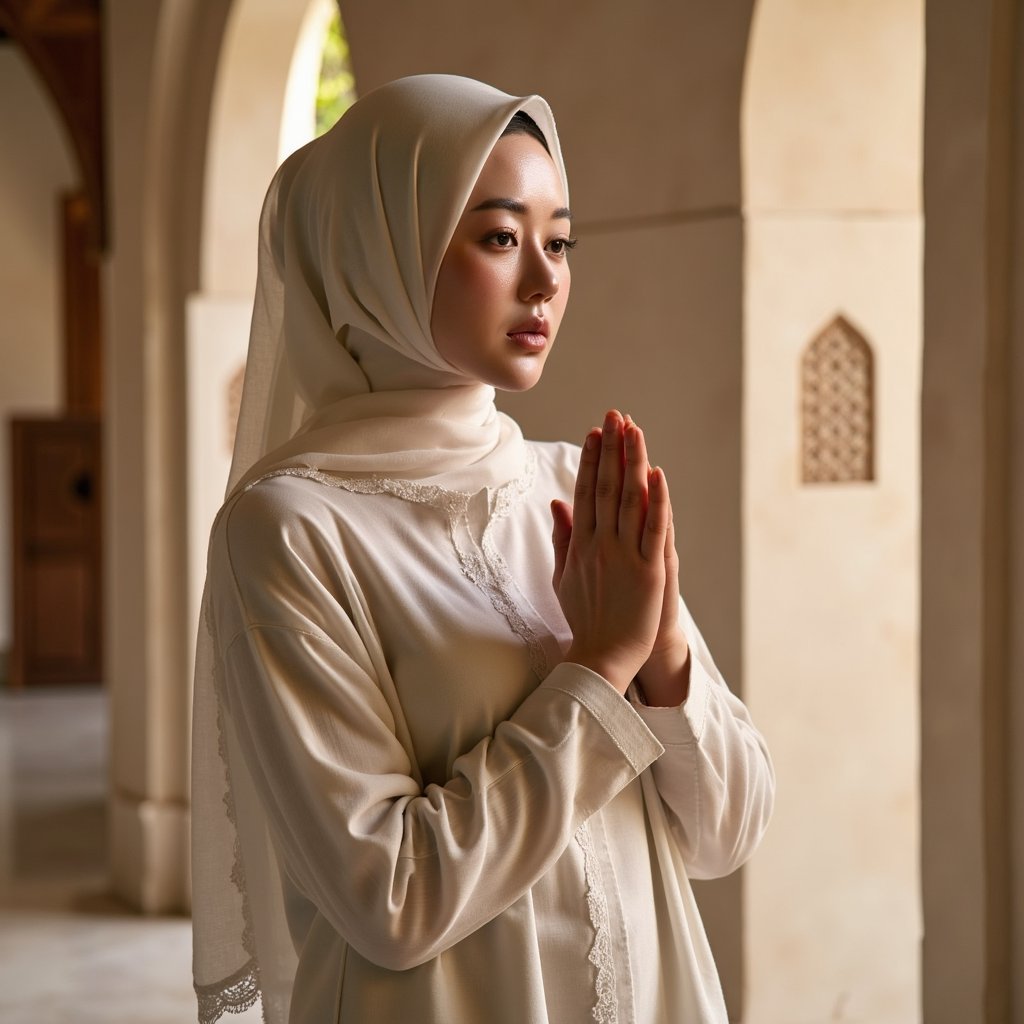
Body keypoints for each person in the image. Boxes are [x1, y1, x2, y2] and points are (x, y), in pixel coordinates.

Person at [191, 74, 774, 1024]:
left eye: (559, 242)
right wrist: (600, 667)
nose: (545, 280)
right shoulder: (291, 528)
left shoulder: (568, 487)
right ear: (379, 251)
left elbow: (727, 832)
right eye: (501, 238)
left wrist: (663, 656)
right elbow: (391, 898)